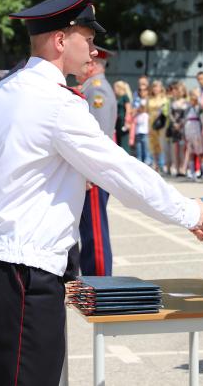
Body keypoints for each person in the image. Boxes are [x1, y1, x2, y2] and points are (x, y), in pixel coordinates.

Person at [0, 0, 203, 385]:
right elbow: (120, 171)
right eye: (88, 38)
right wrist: (190, 212)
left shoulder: (3, 92)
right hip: (22, 269)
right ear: (60, 40)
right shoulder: (56, 102)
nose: (95, 50)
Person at [75, 46, 117, 276]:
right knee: (89, 230)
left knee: (95, 233)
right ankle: (95, 280)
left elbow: (98, 138)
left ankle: (101, 283)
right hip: (92, 171)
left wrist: (89, 173)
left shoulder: (96, 89)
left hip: (94, 173)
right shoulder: (91, 88)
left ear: (92, 64)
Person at [113, 80, 133, 153]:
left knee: (124, 141)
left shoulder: (125, 97)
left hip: (123, 122)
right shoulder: (118, 97)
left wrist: (127, 121)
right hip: (118, 121)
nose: (114, 89)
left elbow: (128, 109)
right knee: (118, 141)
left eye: (115, 87)